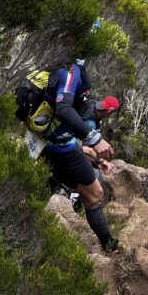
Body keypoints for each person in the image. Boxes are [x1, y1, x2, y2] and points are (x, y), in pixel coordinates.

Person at [42, 59, 120, 252]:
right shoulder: (70, 70)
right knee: (95, 193)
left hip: (43, 136)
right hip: (61, 145)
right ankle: (110, 246)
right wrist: (94, 142)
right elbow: (65, 109)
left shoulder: (52, 62)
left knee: (52, 177)